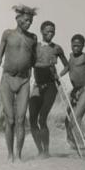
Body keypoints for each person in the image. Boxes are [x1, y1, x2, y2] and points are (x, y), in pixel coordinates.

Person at [0, 5, 38, 162]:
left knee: (21, 119)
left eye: (31, 21)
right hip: (7, 79)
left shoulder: (33, 38)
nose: (29, 23)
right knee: (10, 119)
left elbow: (34, 60)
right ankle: (10, 155)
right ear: (18, 19)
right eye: (26, 20)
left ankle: (19, 155)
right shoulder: (7, 34)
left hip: (23, 81)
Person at [29, 21, 68, 158]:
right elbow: (28, 63)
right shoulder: (35, 47)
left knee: (42, 118)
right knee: (32, 119)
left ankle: (46, 151)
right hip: (37, 86)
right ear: (41, 31)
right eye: (47, 31)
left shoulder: (57, 48)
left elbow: (67, 65)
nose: (50, 33)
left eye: (52, 31)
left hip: (51, 86)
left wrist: (60, 74)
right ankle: (40, 150)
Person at [61, 34, 85, 153]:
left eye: (78, 45)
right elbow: (67, 68)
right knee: (68, 119)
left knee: (76, 118)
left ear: (83, 46)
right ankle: (73, 143)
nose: (76, 48)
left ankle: (82, 147)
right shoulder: (71, 57)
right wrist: (58, 75)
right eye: (73, 45)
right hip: (75, 91)